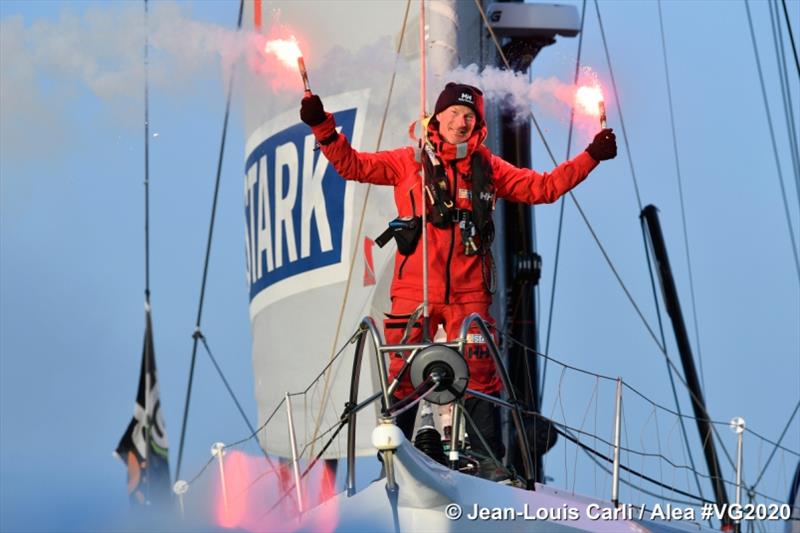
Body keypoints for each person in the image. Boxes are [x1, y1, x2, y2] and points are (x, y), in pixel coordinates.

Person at [300, 83, 616, 476]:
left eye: (469, 117)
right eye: (453, 114)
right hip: (414, 290)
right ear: (437, 118)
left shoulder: (490, 168)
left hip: (470, 293)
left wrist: (591, 157)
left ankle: (486, 459)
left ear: (479, 123)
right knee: (400, 370)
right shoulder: (407, 162)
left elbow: (543, 188)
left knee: (481, 374)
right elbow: (353, 165)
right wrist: (322, 127)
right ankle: (397, 460)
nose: (461, 122)